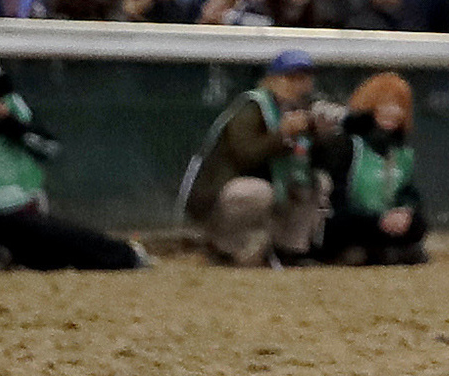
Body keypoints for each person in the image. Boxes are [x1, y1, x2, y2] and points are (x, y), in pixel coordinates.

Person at [0, 42, 142, 270]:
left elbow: (49, 148)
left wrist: (7, 122)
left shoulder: (11, 110)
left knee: (55, 248)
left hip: (18, 210)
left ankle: (123, 255)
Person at [182, 45, 332, 265]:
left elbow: (320, 160)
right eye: (291, 78)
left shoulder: (308, 109)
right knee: (255, 192)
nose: (299, 85)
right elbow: (246, 155)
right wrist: (282, 134)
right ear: (272, 79)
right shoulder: (252, 107)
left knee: (317, 181)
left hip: (276, 187)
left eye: (304, 78)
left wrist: (322, 136)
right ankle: (223, 246)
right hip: (221, 194)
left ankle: (291, 249)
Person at [315, 70, 431, 265]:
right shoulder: (346, 145)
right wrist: (376, 221)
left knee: (418, 224)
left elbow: (408, 192)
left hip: (386, 224)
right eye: (387, 104)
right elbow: (336, 200)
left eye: (400, 106)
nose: (394, 111)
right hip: (350, 222)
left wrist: (405, 212)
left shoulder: (401, 151)